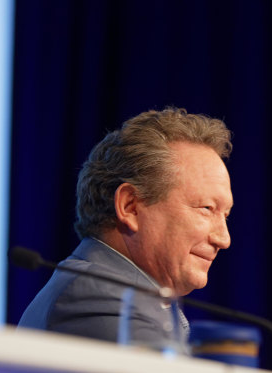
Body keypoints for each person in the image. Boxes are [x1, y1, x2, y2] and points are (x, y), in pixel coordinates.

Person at [18, 107, 234, 353]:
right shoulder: (95, 299)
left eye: (226, 215)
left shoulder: (137, 299)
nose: (223, 239)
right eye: (206, 208)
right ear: (130, 206)